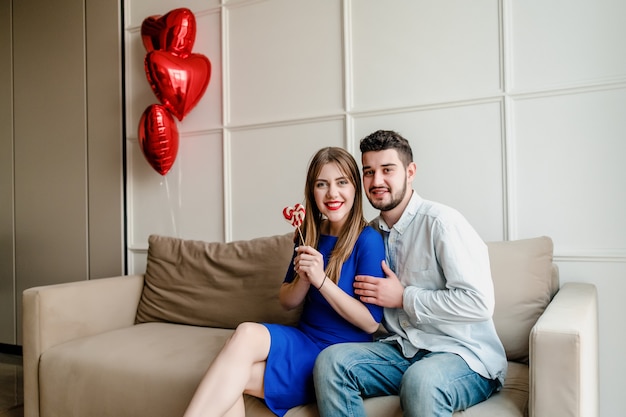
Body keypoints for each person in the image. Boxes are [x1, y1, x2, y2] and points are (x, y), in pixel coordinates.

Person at [313, 130, 508, 417]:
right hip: (404, 350)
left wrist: (405, 298)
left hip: (463, 355)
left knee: (422, 380)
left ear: (410, 172)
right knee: (331, 361)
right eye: (368, 172)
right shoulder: (371, 235)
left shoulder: (442, 223)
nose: (376, 181)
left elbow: (479, 303)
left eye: (387, 170)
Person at [183, 147, 387, 417]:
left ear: (354, 188)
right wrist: (304, 279)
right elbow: (287, 301)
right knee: (243, 338)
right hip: (303, 339)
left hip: (337, 357)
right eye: (322, 185)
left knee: (232, 379)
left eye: (341, 183)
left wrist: (321, 280)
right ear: (312, 192)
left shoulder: (368, 240)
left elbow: (371, 322)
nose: (332, 194)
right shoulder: (308, 234)